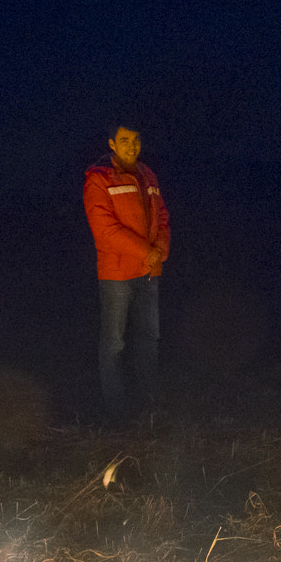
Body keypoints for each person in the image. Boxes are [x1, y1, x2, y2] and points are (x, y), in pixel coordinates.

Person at [83, 124, 169, 420]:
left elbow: (162, 216)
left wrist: (161, 250)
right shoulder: (99, 178)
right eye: (124, 140)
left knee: (148, 337)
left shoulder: (149, 175)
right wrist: (149, 251)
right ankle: (116, 411)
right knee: (114, 342)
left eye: (136, 139)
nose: (132, 146)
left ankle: (148, 403)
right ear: (111, 144)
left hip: (148, 271)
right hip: (117, 274)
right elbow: (105, 230)